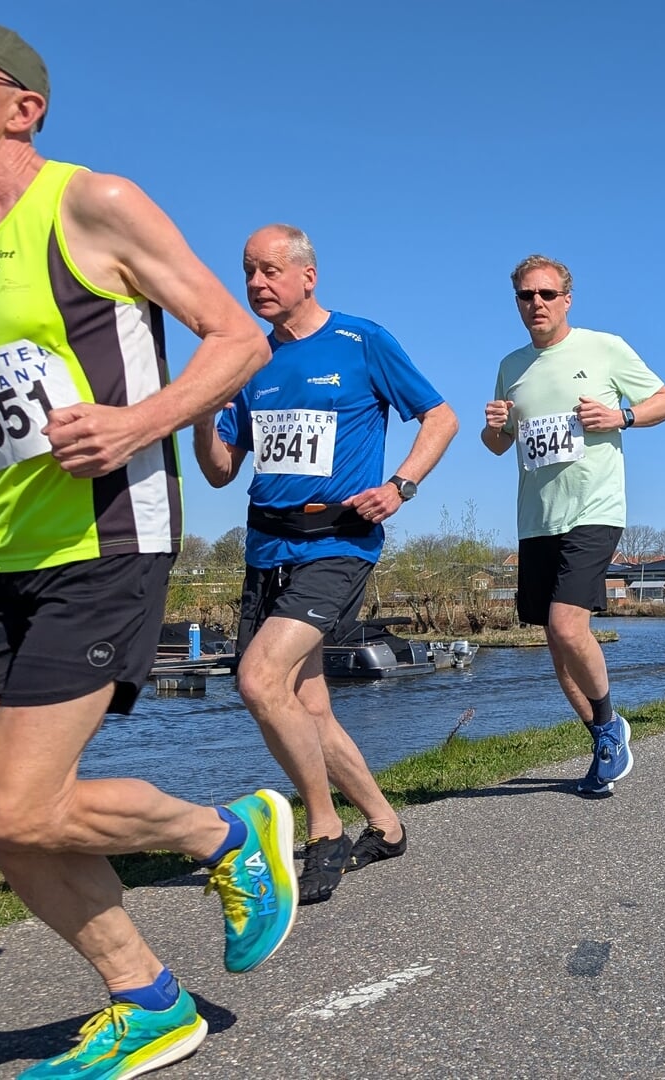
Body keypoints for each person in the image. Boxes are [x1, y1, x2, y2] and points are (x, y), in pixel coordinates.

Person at [0, 16, 295, 1076]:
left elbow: (236, 339)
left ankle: (226, 835)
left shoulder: (93, 203)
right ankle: (148, 999)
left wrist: (139, 424)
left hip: (105, 539)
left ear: (23, 107)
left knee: (12, 801)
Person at [194, 224, 458, 903]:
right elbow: (220, 471)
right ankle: (386, 825)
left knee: (258, 680)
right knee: (307, 704)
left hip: (338, 543)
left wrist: (400, 486)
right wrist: (200, 409)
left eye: (270, 269)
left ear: (308, 276)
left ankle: (324, 830)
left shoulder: (361, 341)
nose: (256, 283)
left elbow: (440, 418)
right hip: (266, 547)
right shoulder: (249, 360)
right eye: (248, 271)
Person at [483, 254, 665, 795]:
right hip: (536, 521)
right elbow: (498, 445)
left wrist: (621, 416)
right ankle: (602, 736)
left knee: (569, 626)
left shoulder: (604, 347)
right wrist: (495, 427)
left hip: (594, 509)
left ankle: (610, 726)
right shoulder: (511, 366)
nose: (537, 303)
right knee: (556, 641)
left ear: (566, 299)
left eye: (547, 294)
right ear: (517, 303)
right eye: (526, 295)